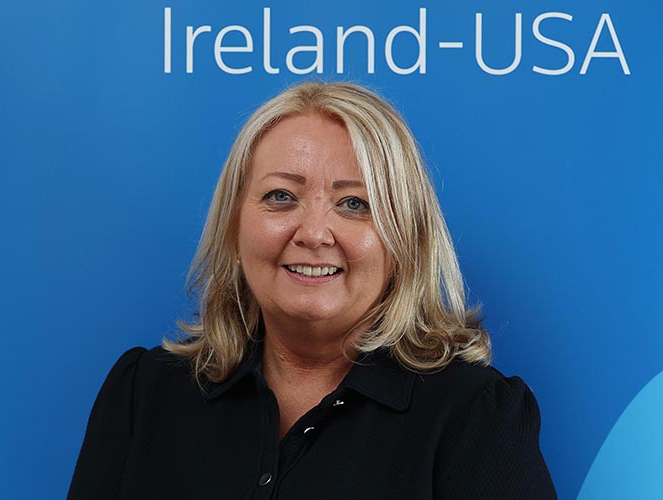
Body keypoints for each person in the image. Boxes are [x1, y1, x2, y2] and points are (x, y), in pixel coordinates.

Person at [68, 81, 557, 499]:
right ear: (234, 226)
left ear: (404, 239)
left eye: (354, 203)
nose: (314, 232)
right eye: (281, 196)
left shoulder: (475, 419)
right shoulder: (143, 395)